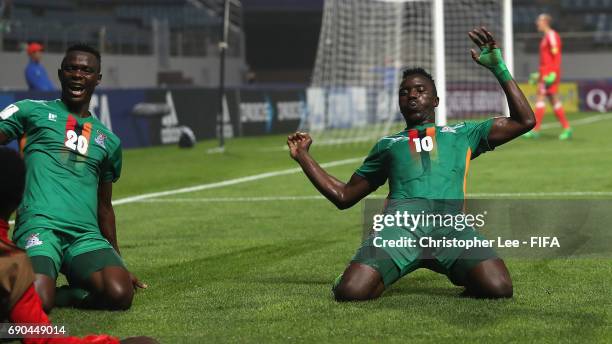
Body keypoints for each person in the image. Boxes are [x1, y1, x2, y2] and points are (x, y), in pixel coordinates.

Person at [287, 27, 535, 301]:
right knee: (350, 292)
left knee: (499, 288)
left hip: (450, 229)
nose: (412, 95)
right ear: (399, 103)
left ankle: (444, 264)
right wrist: (304, 156)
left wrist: (498, 67)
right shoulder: (387, 145)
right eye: (405, 92)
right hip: (400, 229)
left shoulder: (464, 133)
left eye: (420, 90)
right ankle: (368, 272)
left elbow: (524, 121)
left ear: (436, 100)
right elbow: (344, 196)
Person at [0, 43, 145, 313]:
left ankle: (66, 296)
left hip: (84, 236)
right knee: (38, 301)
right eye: (71, 68)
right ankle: (49, 294)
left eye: (86, 70)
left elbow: (104, 206)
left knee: (119, 293)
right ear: (60, 74)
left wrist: (118, 262)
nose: (78, 74)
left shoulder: (109, 141)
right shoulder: (30, 111)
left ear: (97, 79)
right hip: (40, 228)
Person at [0, 147, 157, 344]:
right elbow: (41, 338)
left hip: (82, 239)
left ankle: (68, 296)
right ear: (18, 201)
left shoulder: (15, 263)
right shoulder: (14, 264)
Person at [524, 13, 572, 140]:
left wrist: (553, 73)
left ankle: (535, 129)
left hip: (550, 74)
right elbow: (547, 59)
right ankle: (567, 128)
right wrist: (539, 74)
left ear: (545, 22)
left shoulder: (552, 36)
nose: (537, 23)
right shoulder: (546, 37)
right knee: (553, 100)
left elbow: (556, 56)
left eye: (538, 21)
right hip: (546, 73)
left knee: (540, 99)